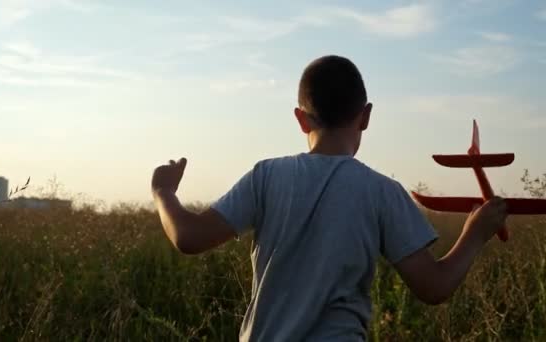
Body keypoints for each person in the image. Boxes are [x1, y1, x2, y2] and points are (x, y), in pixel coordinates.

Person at [151, 55, 509, 341]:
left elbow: (188, 237)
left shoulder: (266, 175)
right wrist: (475, 233)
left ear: (300, 119)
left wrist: (164, 192)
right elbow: (434, 286)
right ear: (365, 116)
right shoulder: (383, 191)